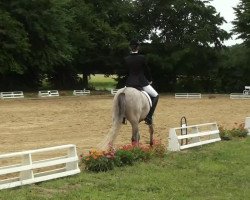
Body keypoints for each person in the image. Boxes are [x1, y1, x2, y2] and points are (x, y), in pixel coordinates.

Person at [123, 39, 159, 125]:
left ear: (130, 47)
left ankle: (123, 116)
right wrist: (150, 80)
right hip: (141, 82)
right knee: (156, 96)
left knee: (122, 97)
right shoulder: (142, 58)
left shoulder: (126, 59)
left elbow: (125, 72)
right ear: (138, 47)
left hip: (129, 83)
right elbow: (147, 70)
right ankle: (149, 117)